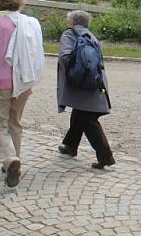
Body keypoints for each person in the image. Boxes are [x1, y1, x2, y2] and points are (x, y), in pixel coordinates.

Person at [0, 0, 44, 187]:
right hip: (23, 81)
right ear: (20, 1)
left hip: (0, 81)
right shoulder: (30, 23)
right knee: (15, 123)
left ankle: (10, 160)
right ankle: (13, 161)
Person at [56, 10, 115, 169]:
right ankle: (70, 145)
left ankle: (105, 157)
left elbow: (64, 57)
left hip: (82, 83)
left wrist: (73, 76)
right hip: (96, 82)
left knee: (87, 119)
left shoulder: (70, 34)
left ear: (72, 22)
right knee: (80, 113)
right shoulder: (91, 36)